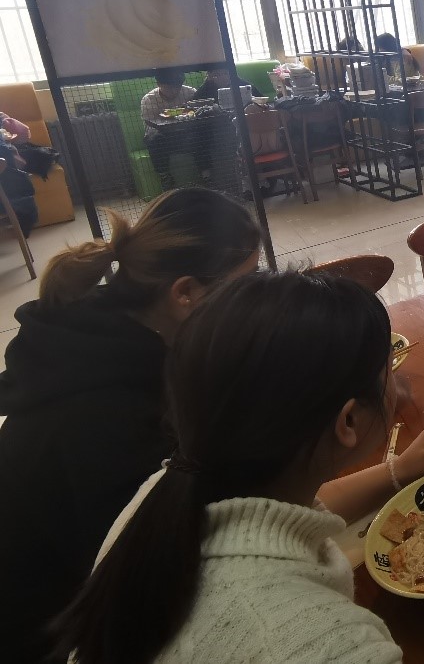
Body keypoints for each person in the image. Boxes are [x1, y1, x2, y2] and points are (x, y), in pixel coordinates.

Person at [51, 270, 424, 663]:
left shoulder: (167, 490)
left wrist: (400, 470)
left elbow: (275, 519)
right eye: (389, 370)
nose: (398, 383)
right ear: (348, 421)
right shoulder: (317, 642)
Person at [0, 188, 261, 663]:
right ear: (185, 293)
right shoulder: (102, 417)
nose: (249, 308)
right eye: (243, 288)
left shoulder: (112, 331)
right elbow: (161, 572)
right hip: (60, 637)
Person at [141, 67, 211, 188]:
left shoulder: (190, 92)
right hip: (164, 138)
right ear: (159, 84)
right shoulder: (149, 99)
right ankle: (165, 176)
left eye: (177, 87)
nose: (173, 91)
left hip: (186, 135)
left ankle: (207, 175)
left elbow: (198, 113)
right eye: (168, 88)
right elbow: (150, 124)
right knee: (153, 139)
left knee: (201, 134)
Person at [192, 67, 261, 103]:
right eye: (217, 75)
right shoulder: (205, 89)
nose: (223, 77)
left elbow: (260, 99)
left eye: (225, 73)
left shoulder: (240, 83)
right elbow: (194, 104)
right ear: (209, 76)